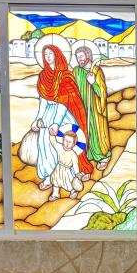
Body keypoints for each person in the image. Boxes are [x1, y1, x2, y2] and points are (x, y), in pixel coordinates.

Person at [31, 45, 93, 188]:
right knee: (44, 142)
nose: (47, 56)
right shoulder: (43, 76)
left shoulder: (65, 75)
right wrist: (38, 119)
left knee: (66, 142)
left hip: (64, 114)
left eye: (50, 53)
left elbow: (67, 101)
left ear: (57, 54)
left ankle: (72, 176)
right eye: (45, 53)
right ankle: (48, 176)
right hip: (48, 114)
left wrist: (57, 123)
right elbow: (43, 101)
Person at [73, 46, 111, 170]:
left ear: (88, 55)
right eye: (77, 57)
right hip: (81, 107)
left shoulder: (97, 71)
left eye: (81, 56)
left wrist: (93, 82)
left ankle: (103, 156)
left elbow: (102, 92)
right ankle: (86, 156)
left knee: (97, 132)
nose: (79, 59)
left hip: (95, 109)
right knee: (83, 131)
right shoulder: (76, 71)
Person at [49, 130, 82, 201]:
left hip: (66, 170)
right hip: (58, 168)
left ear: (74, 144)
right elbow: (53, 142)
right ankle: (55, 194)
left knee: (68, 181)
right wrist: (52, 135)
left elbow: (75, 164)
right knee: (55, 180)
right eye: (66, 141)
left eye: (70, 142)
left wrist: (77, 174)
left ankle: (73, 191)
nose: (67, 143)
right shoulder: (59, 147)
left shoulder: (73, 154)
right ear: (63, 140)